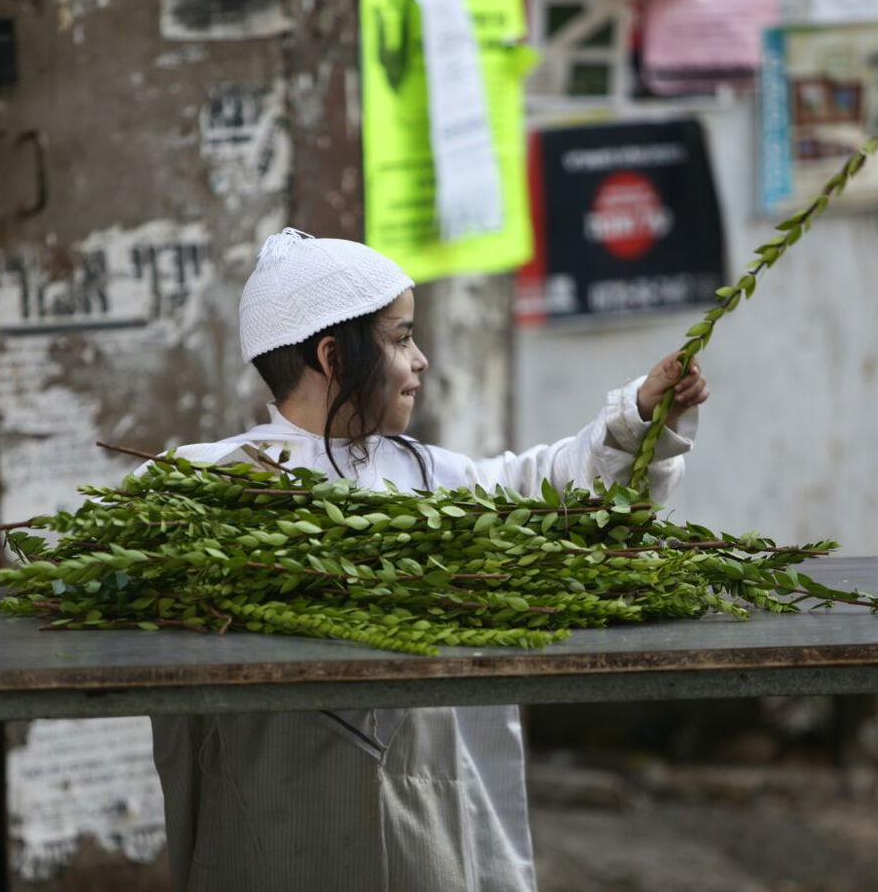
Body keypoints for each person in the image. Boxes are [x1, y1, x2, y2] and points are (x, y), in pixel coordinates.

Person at [149, 227, 708, 891]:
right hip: (275, 822)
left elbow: (547, 493)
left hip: (427, 822)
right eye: (401, 337)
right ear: (333, 356)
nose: (421, 360)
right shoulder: (209, 487)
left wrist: (636, 420)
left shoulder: (425, 478)